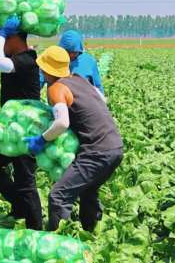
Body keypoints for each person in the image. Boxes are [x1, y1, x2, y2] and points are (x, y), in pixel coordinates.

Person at [25, 46, 123, 232]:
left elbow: (62, 123)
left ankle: (60, 245)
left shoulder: (56, 88)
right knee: (88, 191)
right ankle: (91, 233)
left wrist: (41, 140)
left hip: (97, 151)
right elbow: (102, 100)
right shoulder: (79, 79)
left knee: (58, 196)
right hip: (115, 147)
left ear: (47, 69)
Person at [0, 16, 43, 230]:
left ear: (14, 38)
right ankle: (19, 206)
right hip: (12, 131)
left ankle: (36, 231)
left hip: (26, 131)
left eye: (6, 39)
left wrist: (2, 34)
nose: (0, 44)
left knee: (26, 183)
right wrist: (2, 35)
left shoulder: (26, 60)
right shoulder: (18, 59)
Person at [40, 30, 104, 97]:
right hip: (57, 104)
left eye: (74, 52)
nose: (70, 55)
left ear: (79, 49)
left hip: (81, 105)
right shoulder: (52, 59)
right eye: (67, 52)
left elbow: (98, 87)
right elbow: (39, 82)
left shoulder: (89, 61)